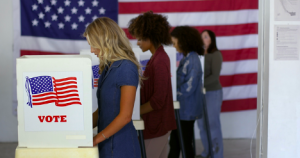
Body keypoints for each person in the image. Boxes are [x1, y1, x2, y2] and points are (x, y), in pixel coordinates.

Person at [85, 17, 142, 158]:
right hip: (106, 143)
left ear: (106, 41)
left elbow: (125, 116)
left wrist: (95, 139)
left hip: (122, 147)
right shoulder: (107, 67)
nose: (92, 51)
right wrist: (80, 130)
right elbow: (102, 111)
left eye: (94, 45)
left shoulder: (126, 67)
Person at [128, 11, 177, 158]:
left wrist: (133, 113)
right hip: (156, 124)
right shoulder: (156, 58)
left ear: (151, 36)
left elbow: (158, 99)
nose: (137, 42)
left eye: (141, 38)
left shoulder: (160, 60)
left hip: (158, 124)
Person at [168, 26, 204, 158]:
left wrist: (171, 94)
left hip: (187, 110)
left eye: (174, 43)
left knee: (184, 143)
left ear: (183, 41)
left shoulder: (193, 60)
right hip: (182, 109)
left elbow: (189, 87)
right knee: (176, 143)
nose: (174, 46)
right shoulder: (187, 58)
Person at [197, 30, 223, 158]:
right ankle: (207, 152)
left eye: (206, 37)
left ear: (212, 39)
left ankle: (217, 155)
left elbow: (215, 76)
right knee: (202, 125)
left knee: (213, 124)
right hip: (199, 94)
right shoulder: (198, 54)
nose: (203, 39)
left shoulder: (216, 54)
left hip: (212, 93)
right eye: (201, 37)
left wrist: (199, 84)